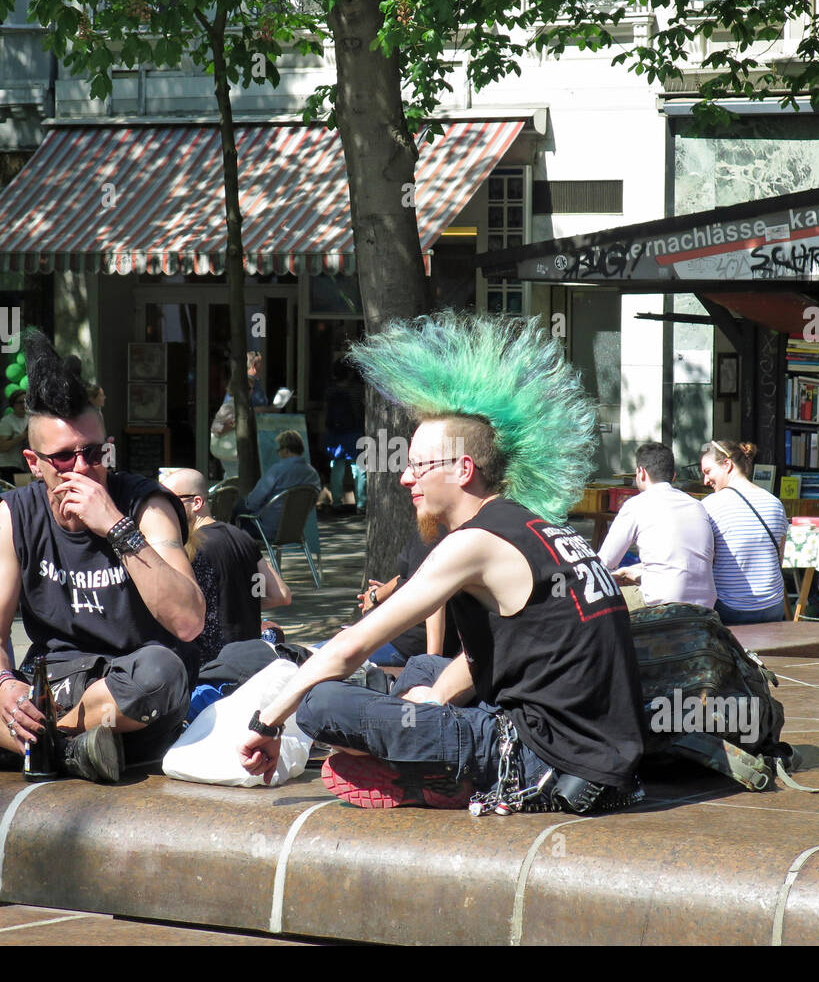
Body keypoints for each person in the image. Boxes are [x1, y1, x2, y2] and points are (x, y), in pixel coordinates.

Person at [239, 313, 646, 814]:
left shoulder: (474, 542)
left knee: (322, 703)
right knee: (423, 669)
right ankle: (421, 754)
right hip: (596, 752)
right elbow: (499, 656)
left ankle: (434, 779)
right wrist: (430, 699)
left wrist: (268, 722)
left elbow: (352, 644)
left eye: (418, 466)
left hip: (542, 762)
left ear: (463, 469)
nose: (406, 479)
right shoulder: (530, 526)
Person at [0, 332, 205, 782]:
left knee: (163, 671)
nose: (83, 467)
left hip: (124, 692)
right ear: (34, 462)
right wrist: (3, 686)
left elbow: (188, 622)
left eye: (94, 453)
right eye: (64, 458)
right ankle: (64, 750)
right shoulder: (15, 513)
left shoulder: (145, 506)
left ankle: (20, 746)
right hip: (47, 686)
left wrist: (115, 526)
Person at [160, 468, 290, 662]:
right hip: (250, 656)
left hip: (211, 663)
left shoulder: (189, 547)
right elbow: (280, 595)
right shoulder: (242, 537)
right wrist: (240, 601)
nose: (165, 509)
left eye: (171, 501)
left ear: (197, 502)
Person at [597, 442, 717, 609]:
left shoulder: (636, 505)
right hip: (706, 603)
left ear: (641, 473)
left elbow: (603, 564)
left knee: (600, 597)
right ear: (673, 476)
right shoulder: (696, 505)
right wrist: (636, 572)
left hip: (662, 604)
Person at [700, 439, 788, 625]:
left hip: (731, 608)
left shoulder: (710, 505)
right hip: (773, 605)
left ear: (727, 465)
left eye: (708, 472)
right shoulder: (774, 503)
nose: (705, 480)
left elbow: (704, 561)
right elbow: (779, 558)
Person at [356, 532, 456, 667]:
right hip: (390, 635)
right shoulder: (440, 531)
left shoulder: (432, 534)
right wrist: (377, 595)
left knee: (321, 657)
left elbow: (433, 596)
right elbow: (412, 574)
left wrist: (432, 663)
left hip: (402, 646)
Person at [240, 429, 322, 541]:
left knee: (237, 509)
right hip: (296, 529)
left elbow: (253, 502)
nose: (278, 453)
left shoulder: (277, 470)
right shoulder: (313, 474)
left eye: (279, 450)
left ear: (286, 450)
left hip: (266, 529)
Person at [324, 362, 366, 511]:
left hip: (336, 434)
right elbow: (362, 408)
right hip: (354, 431)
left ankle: (336, 502)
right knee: (358, 467)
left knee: (337, 468)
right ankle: (361, 503)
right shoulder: (357, 389)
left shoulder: (330, 390)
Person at [0, 389, 29, 482]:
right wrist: (22, 437)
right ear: (13, 404)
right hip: (10, 466)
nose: (23, 405)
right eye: (20, 402)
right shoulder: (7, 421)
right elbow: (3, 447)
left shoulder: (30, 418)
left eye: (26, 401)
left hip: (25, 466)